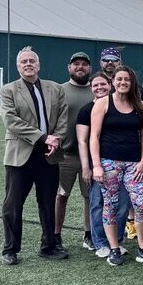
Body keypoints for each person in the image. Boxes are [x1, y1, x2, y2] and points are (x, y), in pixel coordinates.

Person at [0, 46, 69, 265]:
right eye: (23, 62)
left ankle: (49, 246)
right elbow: (11, 121)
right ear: (18, 66)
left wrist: (55, 138)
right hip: (20, 154)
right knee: (13, 204)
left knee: (48, 202)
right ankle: (10, 249)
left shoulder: (55, 89)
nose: (28, 64)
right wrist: (42, 137)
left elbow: (63, 118)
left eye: (32, 61)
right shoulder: (8, 90)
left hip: (49, 154)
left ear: (38, 65)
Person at [90, 65, 143, 266]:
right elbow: (94, 136)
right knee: (111, 205)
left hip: (134, 164)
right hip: (109, 162)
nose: (123, 83)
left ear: (132, 82)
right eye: (119, 79)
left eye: (127, 79)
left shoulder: (140, 105)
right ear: (113, 82)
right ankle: (114, 249)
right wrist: (96, 165)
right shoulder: (103, 103)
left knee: (142, 204)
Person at [74, 73, 129, 258]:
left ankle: (117, 240)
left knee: (121, 203)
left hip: (120, 163)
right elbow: (83, 140)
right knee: (98, 202)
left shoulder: (121, 105)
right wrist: (87, 167)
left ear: (110, 85)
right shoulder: (86, 110)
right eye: (95, 85)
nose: (100, 88)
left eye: (103, 84)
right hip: (98, 164)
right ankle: (100, 242)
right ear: (91, 88)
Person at [55, 51, 95, 251]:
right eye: (76, 64)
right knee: (61, 195)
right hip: (66, 155)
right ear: (69, 68)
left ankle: (89, 234)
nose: (80, 67)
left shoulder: (97, 90)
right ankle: (55, 235)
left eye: (84, 64)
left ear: (90, 68)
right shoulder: (59, 90)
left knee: (90, 196)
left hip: (90, 156)